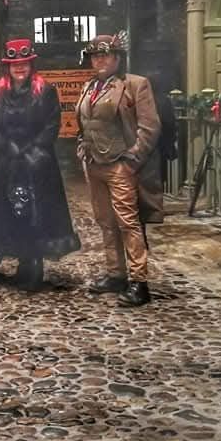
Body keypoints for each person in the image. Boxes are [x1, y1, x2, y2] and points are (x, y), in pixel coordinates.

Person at [0, 39, 79, 291]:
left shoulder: (46, 91)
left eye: (24, 63)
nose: (19, 68)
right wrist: (7, 147)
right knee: (11, 212)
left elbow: (52, 124)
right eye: (15, 64)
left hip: (37, 164)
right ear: (8, 67)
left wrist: (31, 151)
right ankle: (22, 261)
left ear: (31, 64)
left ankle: (35, 263)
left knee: (37, 214)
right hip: (7, 163)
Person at [76, 32, 162, 307]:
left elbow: (150, 127)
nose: (99, 60)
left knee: (128, 222)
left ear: (117, 57)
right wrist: (82, 146)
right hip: (94, 163)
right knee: (105, 221)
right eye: (95, 56)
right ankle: (116, 274)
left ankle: (139, 281)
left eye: (105, 55)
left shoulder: (135, 85)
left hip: (119, 165)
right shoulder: (89, 87)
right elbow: (84, 123)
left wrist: (132, 158)